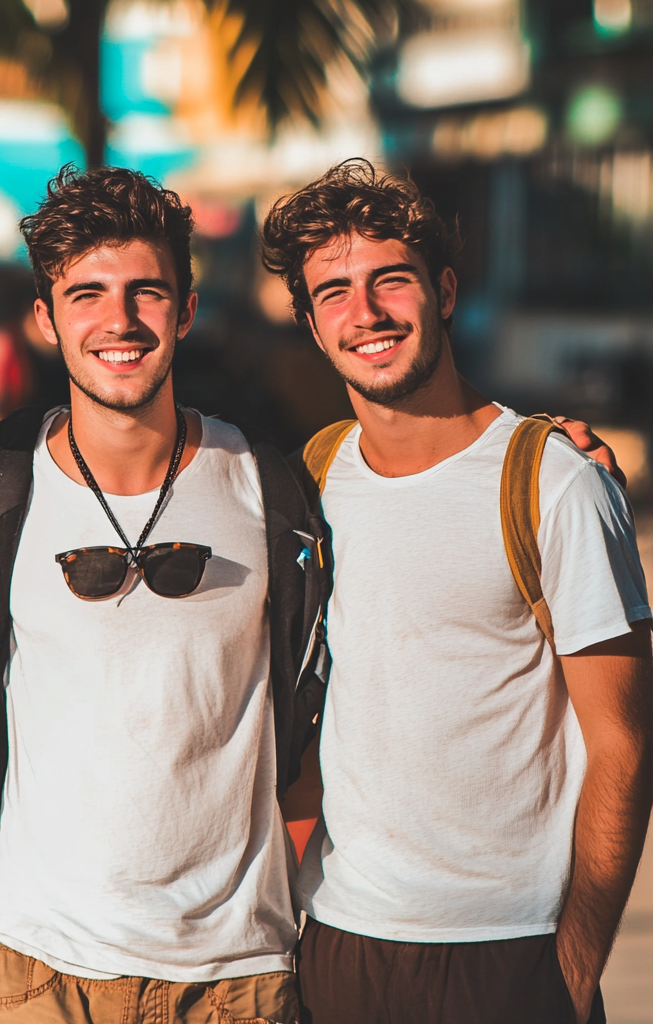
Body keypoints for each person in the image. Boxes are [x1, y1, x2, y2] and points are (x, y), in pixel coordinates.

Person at [260, 159, 653, 1024]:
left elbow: (623, 746)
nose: (365, 314)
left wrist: (572, 972)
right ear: (311, 324)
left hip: (508, 952)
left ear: (442, 291)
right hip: (340, 942)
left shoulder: (554, 481)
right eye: (334, 293)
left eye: (389, 281)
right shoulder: (309, 481)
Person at [0, 166, 330, 1024]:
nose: (118, 322)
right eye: (87, 295)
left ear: (185, 311)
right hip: (34, 971)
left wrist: (547, 449)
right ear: (45, 320)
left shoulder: (274, 487)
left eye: (146, 293)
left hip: (236, 978)